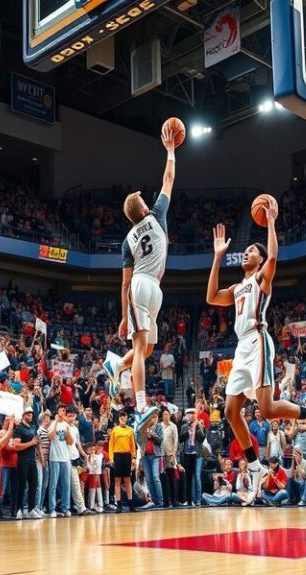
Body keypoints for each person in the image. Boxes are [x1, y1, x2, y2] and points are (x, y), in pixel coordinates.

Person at [205, 213, 306, 495]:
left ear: (258, 260)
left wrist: (272, 221)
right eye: (246, 250)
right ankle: (254, 464)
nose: (246, 253)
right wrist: (217, 256)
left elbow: (273, 257)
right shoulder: (237, 287)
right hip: (241, 347)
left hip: (259, 340)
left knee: (268, 409)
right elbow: (211, 296)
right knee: (230, 410)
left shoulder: (262, 278)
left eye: (251, 251)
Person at [103, 123, 178, 449]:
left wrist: (123, 315)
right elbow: (169, 179)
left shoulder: (126, 240)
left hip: (141, 290)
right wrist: (171, 150)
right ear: (144, 210)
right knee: (143, 350)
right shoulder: (158, 214)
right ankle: (143, 404)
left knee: (145, 349)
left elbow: (123, 284)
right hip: (150, 287)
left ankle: (117, 363)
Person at [12, 405, 43, 519]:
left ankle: (31, 509)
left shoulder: (33, 427)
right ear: (23, 415)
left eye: (31, 414)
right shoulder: (19, 428)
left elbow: (37, 443)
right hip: (22, 460)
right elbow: (16, 446)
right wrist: (31, 443)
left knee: (34, 485)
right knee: (22, 485)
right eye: (28, 414)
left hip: (32, 460)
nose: (30, 416)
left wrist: (41, 457)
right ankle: (19, 509)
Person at [108, 410, 137, 513]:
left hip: (127, 456)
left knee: (128, 480)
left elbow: (133, 445)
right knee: (117, 480)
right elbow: (111, 445)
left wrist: (134, 457)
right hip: (117, 456)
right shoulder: (115, 430)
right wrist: (111, 458)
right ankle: (119, 504)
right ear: (119, 419)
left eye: (124, 417)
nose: (123, 418)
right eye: (121, 417)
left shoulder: (130, 431)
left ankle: (130, 504)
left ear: (127, 418)